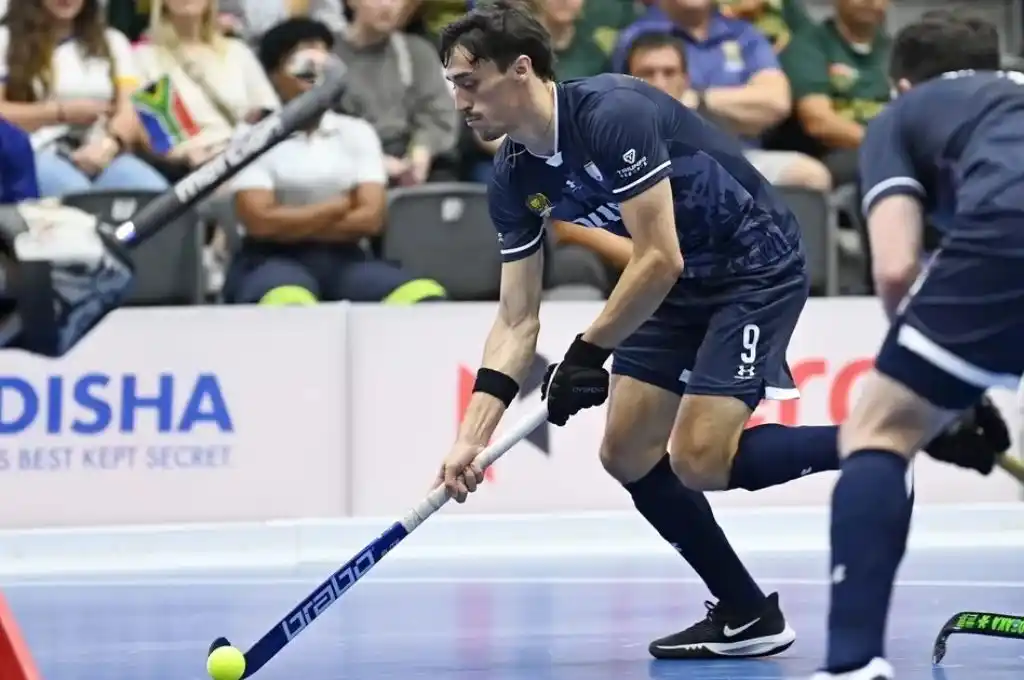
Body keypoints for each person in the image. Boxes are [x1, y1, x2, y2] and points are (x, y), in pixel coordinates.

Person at [433, 0, 846, 659]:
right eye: (451, 84)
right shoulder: (513, 178)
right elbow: (516, 319)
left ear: (520, 71)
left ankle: (880, 439)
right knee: (626, 452)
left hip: (752, 264)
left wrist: (588, 352)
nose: (459, 101)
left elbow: (658, 255)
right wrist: (468, 439)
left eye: (468, 81)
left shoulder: (611, 113)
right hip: (677, 288)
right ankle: (746, 614)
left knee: (700, 459)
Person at [813, 13, 1019, 680]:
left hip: (1007, 229)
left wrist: (944, 400)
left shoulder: (902, 118)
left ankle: (853, 664)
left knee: (878, 428)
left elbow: (897, 267)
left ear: (902, 84)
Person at [223, 18, 447, 307]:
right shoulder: (252, 136)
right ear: (275, 74)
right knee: (288, 300)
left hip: (346, 259)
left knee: (421, 294)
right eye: (302, 61)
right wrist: (338, 206)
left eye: (324, 60)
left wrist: (289, 217)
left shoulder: (356, 131)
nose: (316, 71)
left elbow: (371, 218)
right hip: (271, 258)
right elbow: (259, 222)